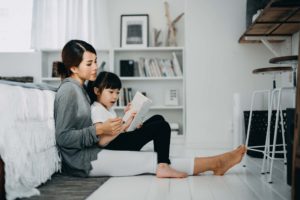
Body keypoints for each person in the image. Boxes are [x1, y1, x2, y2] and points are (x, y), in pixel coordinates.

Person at [54, 39, 247, 179]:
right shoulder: (69, 91)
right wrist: (99, 130)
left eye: (95, 61)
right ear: (73, 68)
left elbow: (95, 121)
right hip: (83, 160)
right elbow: (63, 138)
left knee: (155, 145)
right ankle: (215, 163)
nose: (95, 67)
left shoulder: (79, 88)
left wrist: (123, 121)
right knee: (150, 160)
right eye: (89, 63)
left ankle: (214, 163)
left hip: (93, 150)